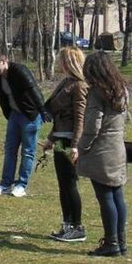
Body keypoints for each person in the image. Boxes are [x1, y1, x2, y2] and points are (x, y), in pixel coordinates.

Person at [76, 52, 130, 257]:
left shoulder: (97, 93)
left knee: (105, 196)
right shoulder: (121, 90)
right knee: (117, 195)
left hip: (101, 149)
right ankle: (120, 241)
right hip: (117, 147)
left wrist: (83, 147)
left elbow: (92, 126)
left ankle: (111, 243)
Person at [0, 49, 48, 197]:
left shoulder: (20, 71)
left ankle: (21, 185)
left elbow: (34, 90)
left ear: (4, 61)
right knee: (10, 150)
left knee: (27, 152)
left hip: (30, 115)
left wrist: (43, 111)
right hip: (14, 116)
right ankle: (5, 184)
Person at [41, 47, 89, 242]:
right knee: (63, 184)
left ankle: (77, 227)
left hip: (70, 140)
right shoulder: (66, 82)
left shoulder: (79, 85)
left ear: (69, 62)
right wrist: (51, 139)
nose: (58, 63)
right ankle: (67, 224)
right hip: (60, 138)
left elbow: (80, 117)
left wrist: (76, 145)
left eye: (61, 60)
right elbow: (58, 115)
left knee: (70, 183)